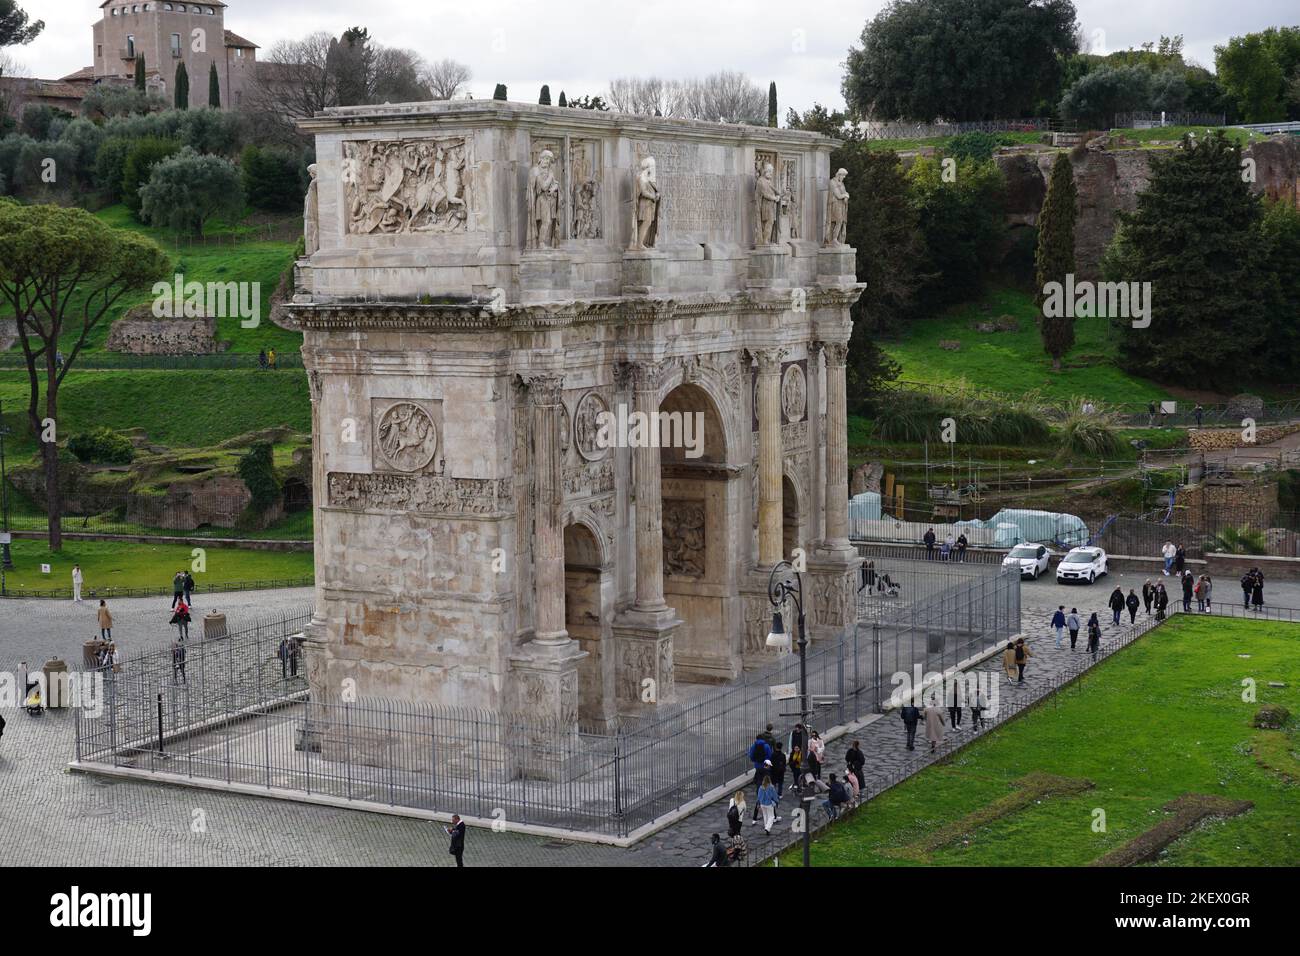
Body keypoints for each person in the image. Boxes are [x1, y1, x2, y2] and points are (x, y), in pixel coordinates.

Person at [746, 734, 771, 823]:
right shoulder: (766, 746)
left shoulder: (753, 746)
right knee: (766, 780)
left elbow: (752, 756)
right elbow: (769, 756)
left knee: (759, 780)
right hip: (765, 766)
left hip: (758, 766)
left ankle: (759, 790)